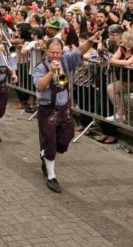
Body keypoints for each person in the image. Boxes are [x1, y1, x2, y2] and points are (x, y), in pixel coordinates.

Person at [33, 34, 100, 193]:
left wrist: (90, 40)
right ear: (46, 51)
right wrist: (51, 72)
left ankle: (46, 154)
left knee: (65, 140)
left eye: (58, 52)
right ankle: (51, 176)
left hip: (64, 109)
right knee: (50, 141)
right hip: (48, 109)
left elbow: (79, 51)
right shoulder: (40, 67)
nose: (55, 55)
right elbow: (40, 87)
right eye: (52, 52)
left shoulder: (65, 60)